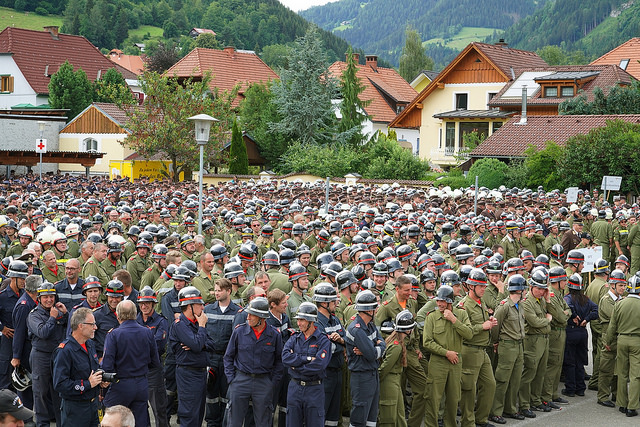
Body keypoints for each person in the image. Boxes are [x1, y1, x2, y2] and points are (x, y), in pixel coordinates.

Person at [223, 296, 284, 426]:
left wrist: (272, 383)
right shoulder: (239, 331)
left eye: (252, 315)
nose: (248, 317)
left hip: (263, 382)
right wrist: (232, 379)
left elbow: (279, 361)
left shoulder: (274, 335)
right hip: (240, 380)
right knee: (234, 421)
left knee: (263, 422)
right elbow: (228, 357)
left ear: (261, 318)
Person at [101, 300, 159, 427]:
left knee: (113, 419)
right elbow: (155, 362)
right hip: (141, 383)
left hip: (121, 384)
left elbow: (107, 365)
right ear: (135, 314)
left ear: (117, 315)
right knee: (140, 421)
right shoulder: (147, 332)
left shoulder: (114, 334)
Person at [423, 285, 473, 427]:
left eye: (443, 301)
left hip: (456, 363)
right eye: (438, 300)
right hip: (438, 362)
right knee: (433, 398)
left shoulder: (461, 314)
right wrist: (446, 353)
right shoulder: (432, 317)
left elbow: (469, 334)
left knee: (453, 399)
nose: (439, 304)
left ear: (450, 301)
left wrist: (454, 320)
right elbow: (427, 342)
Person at [457, 268, 497, 427]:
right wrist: (483, 326)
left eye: (484, 286)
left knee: (489, 384)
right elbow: (463, 331)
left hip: (482, 350)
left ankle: (481, 419)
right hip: (470, 350)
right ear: (471, 286)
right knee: (469, 389)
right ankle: (468, 422)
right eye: (480, 286)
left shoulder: (481, 302)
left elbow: (483, 322)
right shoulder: (463, 306)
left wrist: (490, 322)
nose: (483, 289)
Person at [281, 302, 331, 427]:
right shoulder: (294, 338)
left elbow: (319, 366)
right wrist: (308, 359)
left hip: (314, 389)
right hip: (294, 388)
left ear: (311, 321)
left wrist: (296, 366)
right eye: (298, 320)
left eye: (302, 320)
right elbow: (285, 358)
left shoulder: (323, 340)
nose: (299, 323)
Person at [169, 286, 212, 427]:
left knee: (198, 413)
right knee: (189, 414)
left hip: (200, 372)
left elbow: (212, 344)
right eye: (199, 304)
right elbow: (197, 345)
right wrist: (202, 328)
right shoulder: (180, 325)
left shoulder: (197, 322)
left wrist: (200, 343)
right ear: (189, 306)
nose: (202, 308)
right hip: (188, 374)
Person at [52, 307, 102, 427]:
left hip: (93, 406)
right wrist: (87, 384)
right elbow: (60, 384)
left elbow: (92, 370)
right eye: (92, 324)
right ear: (80, 326)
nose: (95, 327)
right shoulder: (65, 351)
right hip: (75, 409)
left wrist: (101, 378)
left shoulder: (90, 344)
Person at [28, 282, 69, 426]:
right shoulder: (34, 315)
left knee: (59, 391)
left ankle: (61, 423)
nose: (49, 300)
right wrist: (52, 318)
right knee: (41, 393)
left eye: (51, 296)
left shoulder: (57, 311)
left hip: (57, 356)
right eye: (45, 297)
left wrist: (66, 314)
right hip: (41, 356)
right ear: (39, 298)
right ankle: (43, 424)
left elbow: (69, 329)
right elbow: (43, 333)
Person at [344, 290, 386, 427]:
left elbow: (382, 343)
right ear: (368, 310)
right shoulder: (357, 330)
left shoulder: (370, 325)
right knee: (359, 417)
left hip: (371, 374)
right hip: (362, 377)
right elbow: (372, 354)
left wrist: (377, 347)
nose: (377, 310)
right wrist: (376, 348)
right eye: (375, 307)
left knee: (371, 417)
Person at [204, 278, 241, 427]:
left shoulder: (238, 312)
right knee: (211, 396)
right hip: (211, 358)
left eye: (220, 290)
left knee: (227, 395)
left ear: (228, 291)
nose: (216, 293)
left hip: (228, 360)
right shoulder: (208, 310)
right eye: (215, 290)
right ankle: (212, 423)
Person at [489, 274, 527, 424]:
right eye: (524, 289)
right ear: (519, 290)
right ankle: (495, 411)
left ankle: (510, 408)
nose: (525, 292)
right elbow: (495, 327)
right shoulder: (504, 306)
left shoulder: (520, 305)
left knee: (515, 379)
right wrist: (496, 342)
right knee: (502, 379)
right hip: (507, 345)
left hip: (518, 345)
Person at [603, 274, 640, 417]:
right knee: (635, 375)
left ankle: (622, 404)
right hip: (637, 341)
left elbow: (612, 326)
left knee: (622, 373)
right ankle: (632, 406)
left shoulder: (619, 303)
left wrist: (608, 342)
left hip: (621, 340)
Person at [518, 268, 552, 418]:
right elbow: (535, 322)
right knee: (529, 373)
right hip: (532, 340)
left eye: (543, 289)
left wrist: (548, 301)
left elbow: (553, 313)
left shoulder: (542, 300)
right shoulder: (527, 302)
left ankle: (536, 400)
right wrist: (547, 320)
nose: (541, 291)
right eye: (538, 288)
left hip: (544, 339)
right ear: (531, 287)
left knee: (540, 372)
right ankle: (524, 404)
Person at [312, 283, 345, 426]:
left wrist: (341, 341)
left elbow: (347, 340)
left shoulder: (335, 319)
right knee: (321, 413)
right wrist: (341, 345)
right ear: (324, 303)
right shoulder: (316, 323)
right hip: (325, 375)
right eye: (333, 301)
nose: (336, 303)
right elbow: (325, 349)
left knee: (333, 417)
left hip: (337, 373)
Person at [136, 286, 169, 427]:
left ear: (154, 304)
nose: (144, 306)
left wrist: (137, 346)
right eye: (141, 303)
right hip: (137, 370)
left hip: (153, 370)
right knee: (139, 408)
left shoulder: (161, 321)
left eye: (147, 303)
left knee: (159, 408)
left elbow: (159, 345)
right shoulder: (134, 321)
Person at [562, 274, 598, 397]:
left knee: (570, 362)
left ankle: (570, 389)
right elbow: (596, 310)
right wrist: (587, 319)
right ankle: (581, 388)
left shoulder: (567, 298)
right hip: (582, 332)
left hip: (571, 331)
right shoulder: (586, 299)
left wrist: (573, 316)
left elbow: (568, 307)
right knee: (580, 361)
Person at [378, 310, 415, 427]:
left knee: (399, 414)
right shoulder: (396, 347)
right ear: (408, 330)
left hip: (394, 380)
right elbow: (385, 368)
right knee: (389, 416)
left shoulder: (396, 342)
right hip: (389, 381)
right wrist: (376, 380)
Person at [597, 269, 626, 408]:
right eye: (620, 285)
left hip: (617, 336)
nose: (623, 288)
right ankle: (602, 396)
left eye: (624, 285)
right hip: (608, 336)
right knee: (606, 368)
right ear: (613, 285)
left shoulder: (620, 300)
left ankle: (615, 393)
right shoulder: (606, 300)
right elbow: (616, 317)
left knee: (617, 369)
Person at [0, 261, 28, 389]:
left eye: (25, 278)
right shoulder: (3, 297)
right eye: (21, 279)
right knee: (5, 379)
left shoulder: (25, 296)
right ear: (12, 278)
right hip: (7, 342)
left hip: (23, 342)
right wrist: (2, 328)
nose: (23, 282)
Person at [94, 280, 124, 359]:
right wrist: (97, 358)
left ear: (122, 297)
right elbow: (90, 340)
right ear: (106, 297)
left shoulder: (128, 313)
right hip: (104, 357)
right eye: (111, 297)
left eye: (117, 297)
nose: (114, 300)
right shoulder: (97, 315)